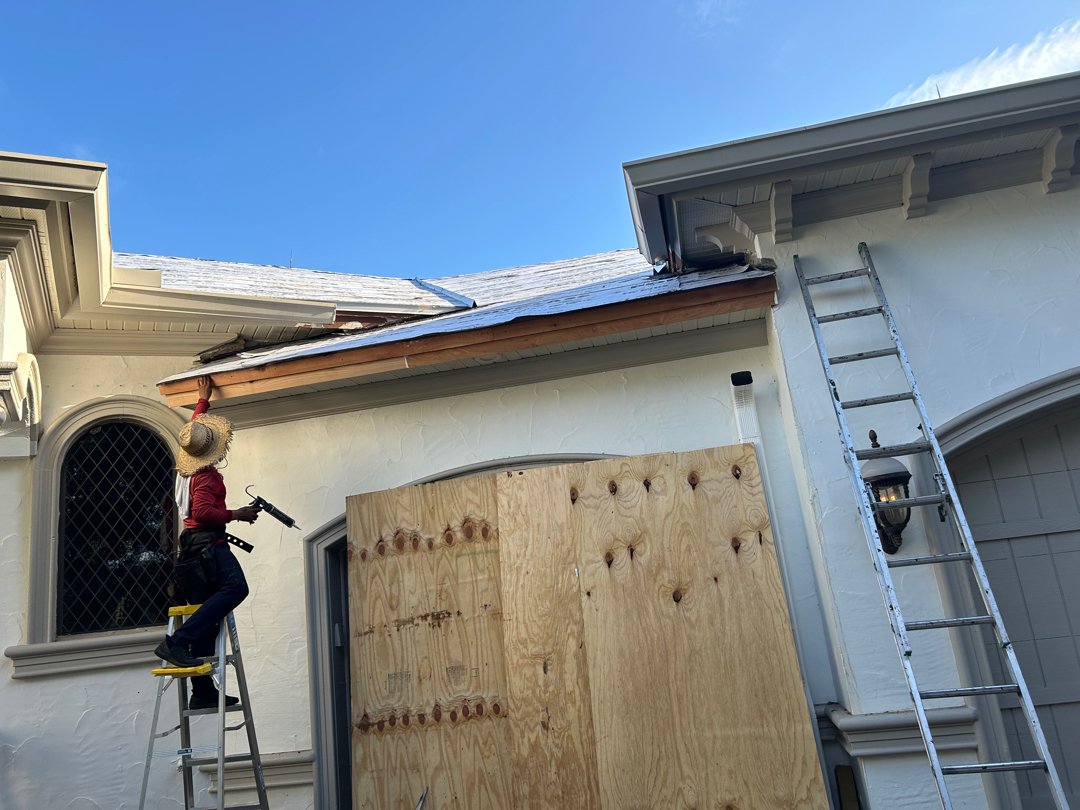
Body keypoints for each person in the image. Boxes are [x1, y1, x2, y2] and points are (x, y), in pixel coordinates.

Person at [153, 375, 260, 710]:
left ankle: (202, 692)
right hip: (205, 546)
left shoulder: (186, 470)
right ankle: (177, 641)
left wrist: (202, 401)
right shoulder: (206, 477)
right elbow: (202, 512)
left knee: (208, 623)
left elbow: (194, 432)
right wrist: (236, 514)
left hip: (191, 551)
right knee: (235, 589)